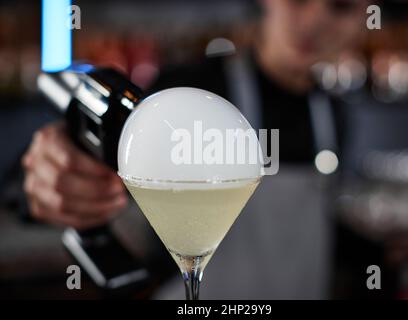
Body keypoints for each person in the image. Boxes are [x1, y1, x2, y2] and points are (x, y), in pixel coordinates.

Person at [22, 0, 369, 298]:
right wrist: (51, 176)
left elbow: (318, 226)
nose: (313, 21)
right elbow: (80, 168)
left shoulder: (335, 113)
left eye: (340, 6)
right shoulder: (185, 94)